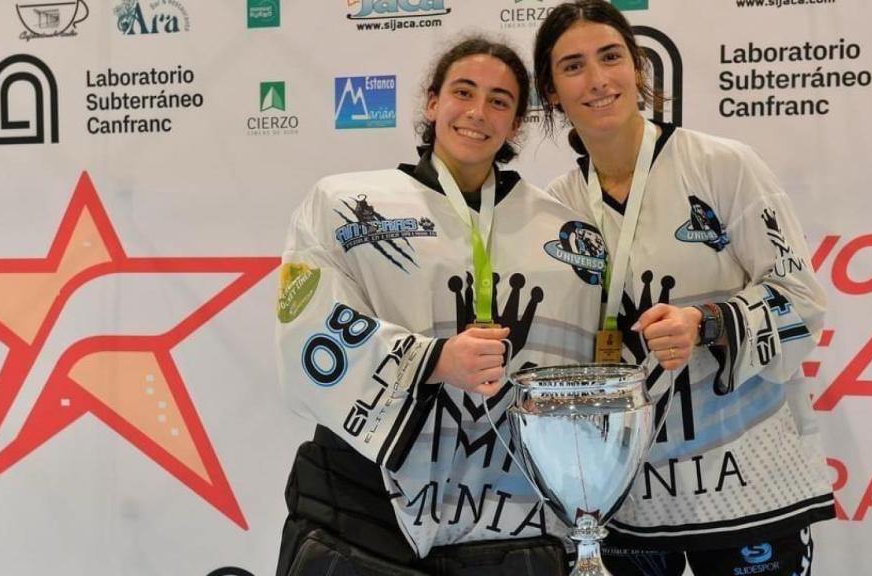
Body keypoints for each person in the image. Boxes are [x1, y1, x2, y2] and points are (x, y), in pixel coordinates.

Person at [274, 36, 605, 575]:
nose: (478, 112)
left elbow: (582, 373)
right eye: (463, 92)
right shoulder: (340, 205)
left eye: (499, 101)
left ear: (516, 124)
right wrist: (432, 361)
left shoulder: (565, 232)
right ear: (432, 103)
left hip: (505, 513)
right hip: (364, 506)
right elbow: (306, 330)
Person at [533, 2, 835, 575]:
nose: (597, 80)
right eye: (573, 66)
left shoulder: (722, 166)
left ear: (638, 68)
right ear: (551, 91)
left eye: (610, 57)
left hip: (747, 481)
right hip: (630, 496)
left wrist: (709, 323)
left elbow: (802, 301)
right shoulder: (556, 206)